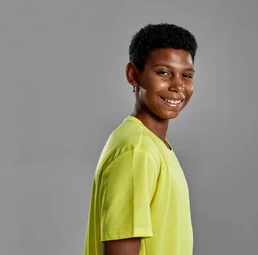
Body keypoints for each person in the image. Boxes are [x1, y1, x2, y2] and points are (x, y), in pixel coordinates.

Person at [83, 23, 198, 255]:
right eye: (164, 73)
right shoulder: (137, 150)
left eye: (186, 75)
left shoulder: (154, 146)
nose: (178, 86)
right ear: (133, 74)